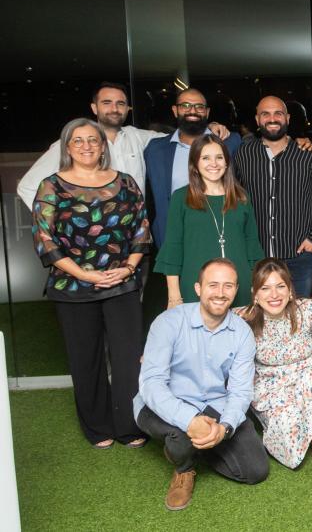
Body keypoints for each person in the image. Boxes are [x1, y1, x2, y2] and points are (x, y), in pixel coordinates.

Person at [31, 118, 150, 450]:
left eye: (93, 140)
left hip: (121, 283)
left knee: (128, 358)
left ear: (103, 146)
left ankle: (129, 426)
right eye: (78, 140)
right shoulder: (51, 186)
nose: (86, 146)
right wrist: (85, 275)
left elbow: (141, 230)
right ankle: (98, 428)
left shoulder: (125, 183)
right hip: (73, 288)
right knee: (86, 359)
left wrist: (128, 268)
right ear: (67, 147)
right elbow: (45, 241)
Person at [134, 258, 269, 511]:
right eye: (213, 285)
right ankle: (184, 467)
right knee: (180, 437)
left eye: (228, 286)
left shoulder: (242, 333)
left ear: (236, 289)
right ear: (198, 288)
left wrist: (225, 429)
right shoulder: (168, 322)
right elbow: (152, 384)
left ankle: (200, 446)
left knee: (256, 470)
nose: (220, 293)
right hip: (165, 403)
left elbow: (240, 391)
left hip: (214, 405)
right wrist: (189, 420)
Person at [238, 258, 312, 469]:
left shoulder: (308, 311)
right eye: (265, 288)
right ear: (255, 294)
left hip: (308, 375)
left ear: (290, 290)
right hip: (271, 383)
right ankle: (289, 424)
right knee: (288, 430)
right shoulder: (243, 320)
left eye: (280, 286)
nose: (274, 295)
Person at [233, 95, 312, 297]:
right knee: (260, 317)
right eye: (265, 114)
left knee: (299, 314)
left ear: (287, 118)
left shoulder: (307, 154)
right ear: (258, 119)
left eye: (278, 113)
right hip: (256, 254)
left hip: (299, 256)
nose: (272, 118)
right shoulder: (243, 154)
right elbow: (234, 199)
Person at [154, 135, 264, 308]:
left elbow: (252, 246)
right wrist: (174, 295)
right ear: (195, 164)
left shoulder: (242, 197)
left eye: (219, 157)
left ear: (227, 163)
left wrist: (255, 287)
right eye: (205, 158)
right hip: (196, 284)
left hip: (239, 284)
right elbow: (173, 247)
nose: (214, 163)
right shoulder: (181, 198)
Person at [18, 82, 164, 207]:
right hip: (91, 232)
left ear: (127, 109)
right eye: (107, 103)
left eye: (120, 104)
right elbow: (27, 187)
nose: (114, 109)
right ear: (94, 108)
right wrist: (56, 222)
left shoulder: (138, 137)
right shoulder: (73, 143)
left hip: (132, 231)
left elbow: (178, 140)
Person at [145, 88, 243, 247]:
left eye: (199, 107)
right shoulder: (155, 149)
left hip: (221, 237)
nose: (193, 111)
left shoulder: (231, 143)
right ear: (175, 110)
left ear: (207, 112)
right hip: (174, 239)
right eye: (185, 105)